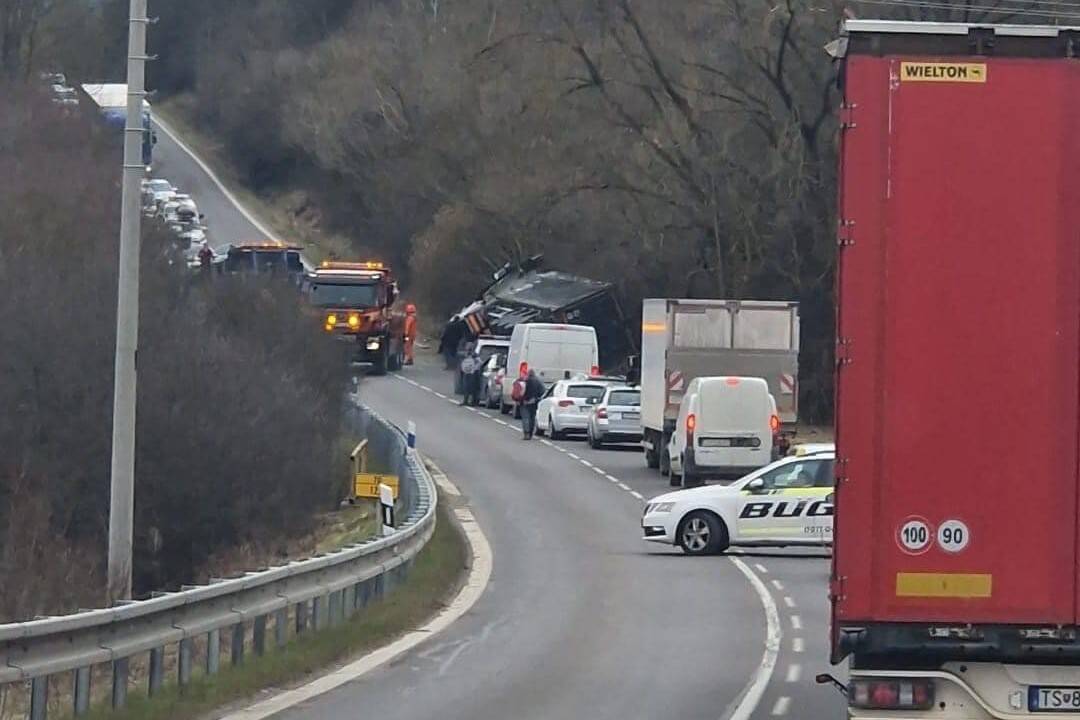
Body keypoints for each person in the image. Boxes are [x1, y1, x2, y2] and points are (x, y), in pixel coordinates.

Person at [520, 369, 546, 439]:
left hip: (525, 401)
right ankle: (530, 433)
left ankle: (526, 433)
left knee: (525, 418)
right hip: (534, 402)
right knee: (532, 418)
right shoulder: (538, 381)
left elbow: (520, 391)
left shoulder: (524, 381)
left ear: (528, 374)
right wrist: (537, 398)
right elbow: (543, 391)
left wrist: (521, 399)